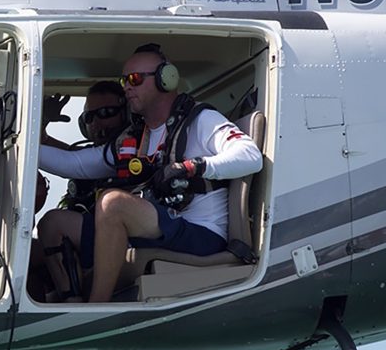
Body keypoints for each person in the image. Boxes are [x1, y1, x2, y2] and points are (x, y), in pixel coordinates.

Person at [38, 44, 263, 302]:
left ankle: (96, 306)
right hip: (158, 227)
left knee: (113, 203)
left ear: (166, 79)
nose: (127, 87)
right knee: (53, 224)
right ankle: (71, 302)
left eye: (134, 79)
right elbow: (75, 164)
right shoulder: (136, 136)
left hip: (200, 232)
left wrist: (192, 167)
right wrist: (20, 145)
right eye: (124, 80)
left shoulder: (200, 120)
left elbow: (250, 155)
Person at [33, 81, 129, 301]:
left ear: (125, 113)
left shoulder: (126, 152)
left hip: (117, 236)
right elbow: (52, 149)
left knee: (53, 222)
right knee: (29, 253)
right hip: (90, 236)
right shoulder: (91, 153)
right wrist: (43, 120)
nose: (96, 123)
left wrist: (17, 144)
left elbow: (69, 162)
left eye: (106, 113)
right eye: (89, 117)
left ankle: (73, 302)